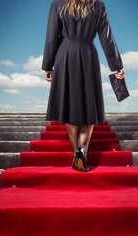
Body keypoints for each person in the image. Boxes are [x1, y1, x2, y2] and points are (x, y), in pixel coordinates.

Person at [42, 0, 125, 172]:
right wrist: (117, 65)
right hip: (88, 53)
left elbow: (52, 36)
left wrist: (48, 65)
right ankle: (83, 151)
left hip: (65, 55)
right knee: (89, 105)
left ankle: (76, 152)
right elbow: (106, 37)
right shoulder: (98, 5)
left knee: (70, 105)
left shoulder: (58, 4)